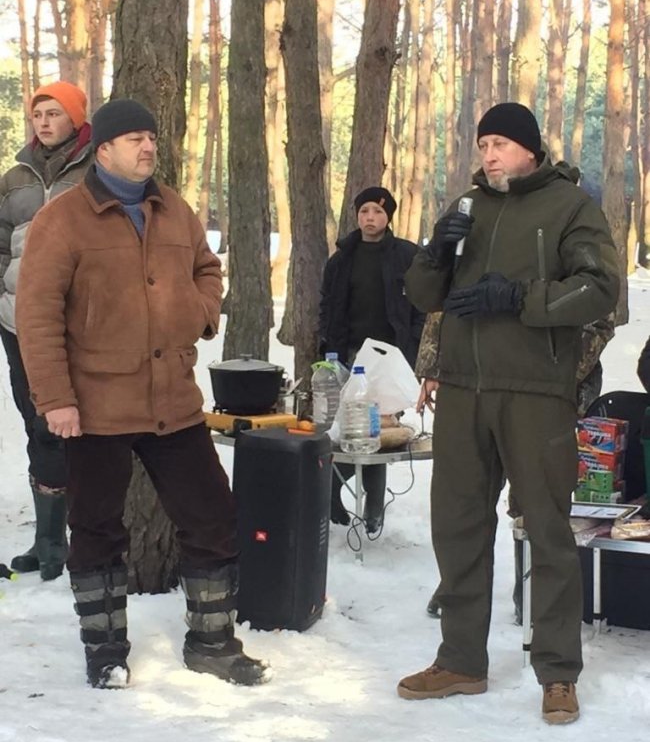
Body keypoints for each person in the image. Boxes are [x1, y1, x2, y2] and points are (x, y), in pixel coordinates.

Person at [15, 98, 269, 690]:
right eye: (133, 139)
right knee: (97, 528)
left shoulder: (173, 209)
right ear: (102, 150)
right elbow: (37, 315)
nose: (148, 147)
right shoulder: (62, 220)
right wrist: (55, 399)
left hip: (172, 401)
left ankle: (212, 642)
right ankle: (104, 650)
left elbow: (208, 270)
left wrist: (201, 311)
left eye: (151, 137)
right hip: (95, 405)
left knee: (212, 516)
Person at [399, 102, 620, 724]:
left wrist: (520, 297)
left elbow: (601, 287)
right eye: (483, 144)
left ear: (528, 148)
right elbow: (421, 296)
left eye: (499, 143)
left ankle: (557, 673)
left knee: (547, 530)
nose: (489, 154)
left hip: (534, 390)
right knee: (459, 526)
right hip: (464, 389)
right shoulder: (467, 208)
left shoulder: (569, 207)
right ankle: (461, 661)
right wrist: (435, 256)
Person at [417, 312, 615, 622]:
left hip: (550, 385)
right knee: (468, 498)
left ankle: (533, 593)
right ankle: (458, 590)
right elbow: (445, 297)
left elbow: (599, 312)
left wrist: (558, 374)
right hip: (477, 380)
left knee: (536, 497)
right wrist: (434, 365)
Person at [0, 81, 93, 580]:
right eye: (38, 113)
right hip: (18, 323)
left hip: (77, 322)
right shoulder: (14, 176)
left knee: (77, 426)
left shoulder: (97, 169)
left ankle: (86, 537)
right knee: (38, 426)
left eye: (54, 113)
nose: (43, 121)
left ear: (76, 118)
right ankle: (48, 541)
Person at [319, 186, 425, 532]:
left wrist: (413, 351)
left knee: (377, 432)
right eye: (364, 212)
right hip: (349, 354)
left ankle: (374, 507)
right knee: (347, 429)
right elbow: (327, 306)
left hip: (389, 357)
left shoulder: (406, 255)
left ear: (388, 217)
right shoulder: (342, 258)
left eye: (377, 213)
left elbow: (420, 306)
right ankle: (334, 490)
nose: (370, 219)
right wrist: (328, 350)